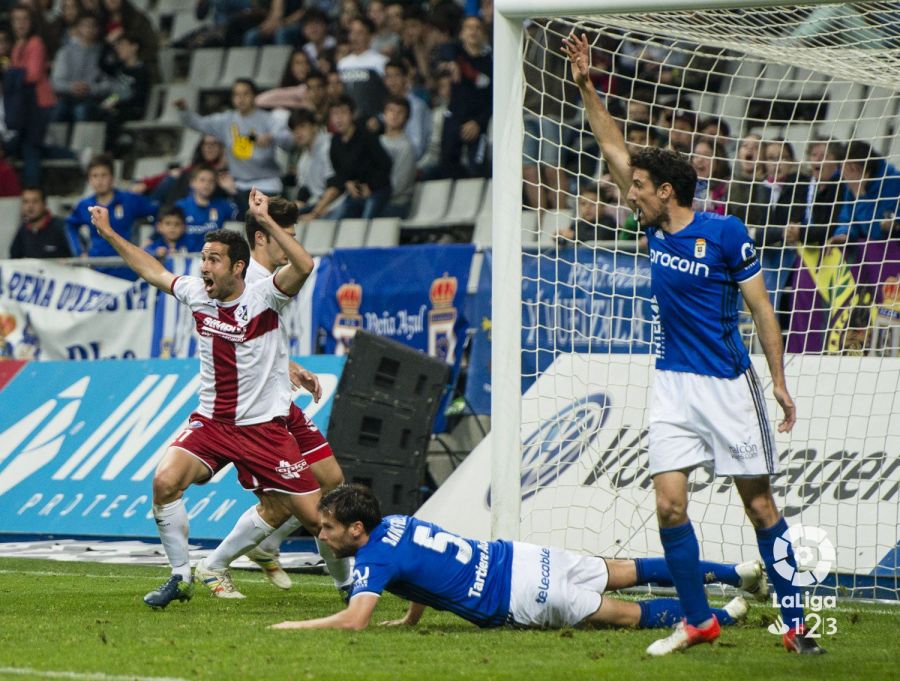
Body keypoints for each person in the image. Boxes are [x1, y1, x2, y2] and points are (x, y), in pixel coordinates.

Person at [561, 32, 823, 656]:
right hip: (673, 385)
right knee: (669, 506)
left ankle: (796, 625)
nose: (629, 192)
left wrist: (778, 380)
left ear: (666, 192)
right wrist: (587, 86)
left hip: (729, 386)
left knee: (760, 506)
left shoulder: (725, 233)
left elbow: (762, 309)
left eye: (639, 187)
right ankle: (699, 620)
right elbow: (613, 147)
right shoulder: (653, 229)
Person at [88, 187, 321, 609]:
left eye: (213, 260)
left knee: (316, 518)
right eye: (203, 258)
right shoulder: (197, 293)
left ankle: (354, 585)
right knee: (165, 482)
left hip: (262, 428)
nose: (204, 267)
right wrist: (109, 234)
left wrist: (265, 220)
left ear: (237, 267)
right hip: (212, 423)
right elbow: (153, 271)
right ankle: (180, 576)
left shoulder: (265, 296)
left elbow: (304, 265)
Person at [270, 485, 762, 632]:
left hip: (519, 595)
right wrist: (410, 617)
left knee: (625, 614)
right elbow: (420, 567)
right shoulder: (397, 522)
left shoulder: (371, 561)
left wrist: (292, 626)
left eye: (328, 527)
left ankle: (725, 616)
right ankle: (734, 573)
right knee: (626, 570)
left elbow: (354, 621)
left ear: (357, 530)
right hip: (521, 557)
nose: (322, 534)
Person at [195, 197, 351, 597]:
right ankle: (216, 564)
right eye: (286, 235)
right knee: (290, 508)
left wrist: (289, 365)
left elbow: (256, 342)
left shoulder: (260, 278)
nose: (291, 242)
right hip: (254, 418)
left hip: (283, 404)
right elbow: (234, 341)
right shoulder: (244, 279)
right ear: (262, 237)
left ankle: (267, 545)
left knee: (332, 482)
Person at [175, 79, 293, 217]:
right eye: (237, 95)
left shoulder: (268, 119)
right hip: (237, 185)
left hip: (266, 183)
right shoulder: (226, 120)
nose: (241, 99)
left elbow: (290, 141)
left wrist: (272, 137)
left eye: (245, 94)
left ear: (254, 96)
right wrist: (183, 110)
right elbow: (198, 124)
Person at [66, 154, 158, 278]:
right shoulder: (85, 205)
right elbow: (70, 225)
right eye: (95, 176)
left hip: (127, 267)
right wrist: (80, 252)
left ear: (112, 177)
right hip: (96, 268)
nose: (99, 180)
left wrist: (151, 241)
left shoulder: (129, 200)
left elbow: (159, 213)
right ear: (89, 180)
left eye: (104, 175)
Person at [303, 95, 392, 221]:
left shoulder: (366, 136)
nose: (339, 118)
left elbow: (386, 164)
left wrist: (371, 186)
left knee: (366, 221)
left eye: (343, 113)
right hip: (355, 192)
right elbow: (339, 171)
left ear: (352, 114)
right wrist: (347, 183)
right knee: (335, 218)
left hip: (377, 190)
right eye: (335, 114)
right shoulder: (335, 141)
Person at [434, 15, 492, 179]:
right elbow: (445, 49)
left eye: (477, 28)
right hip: (455, 117)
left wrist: (478, 122)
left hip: (479, 122)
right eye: (469, 27)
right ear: (461, 33)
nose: (473, 31)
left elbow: (493, 99)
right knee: (447, 165)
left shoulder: (491, 62)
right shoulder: (454, 54)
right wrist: (452, 62)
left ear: (484, 34)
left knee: (478, 169)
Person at [8, 3, 57, 186]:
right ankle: (75, 155)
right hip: (24, 106)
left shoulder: (35, 43)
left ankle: (32, 188)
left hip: (38, 104)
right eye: (16, 20)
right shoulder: (17, 45)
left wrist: (11, 73)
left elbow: (34, 74)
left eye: (24, 19)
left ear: (31, 22)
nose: (20, 24)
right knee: (29, 147)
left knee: (31, 148)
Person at [829, 141, 900, 244]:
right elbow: (847, 219)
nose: (842, 174)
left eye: (843, 168)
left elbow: (876, 232)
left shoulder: (894, 183)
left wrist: (860, 195)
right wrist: (844, 234)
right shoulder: (852, 183)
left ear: (854, 168)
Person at [50, 12, 111, 123]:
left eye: (93, 25)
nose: (89, 29)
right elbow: (56, 82)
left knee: (81, 110)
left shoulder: (104, 53)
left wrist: (89, 88)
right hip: (67, 96)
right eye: (85, 25)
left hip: (93, 98)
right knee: (58, 109)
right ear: (78, 28)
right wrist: (72, 87)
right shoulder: (65, 52)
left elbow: (109, 83)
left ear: (98, 29)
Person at [174, 165, 238, 252]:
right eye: (202, 180)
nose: (207, 184)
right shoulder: (180, 206)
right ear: (192, 182)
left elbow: (241, 217)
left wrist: (233, 192)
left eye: (211, 181)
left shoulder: (222, 205)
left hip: (213, 256)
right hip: (186, 256)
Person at [337, 16, 389, 121]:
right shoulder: (342, 64)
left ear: (370, 36)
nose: (355, 37)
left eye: (360, 33)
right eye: (352, 32)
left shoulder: (381, 62)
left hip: (372, 120)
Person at [287, 108, 334, 213]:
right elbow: (304, 190)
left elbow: (335, 186)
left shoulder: (330, 146)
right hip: (318, 205)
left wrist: (315, 213)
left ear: (314, 126)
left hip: (336, 203)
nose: (298, 133)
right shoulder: (303, 159)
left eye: (302, 126)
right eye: (294, 129)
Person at [378, 95, 416, 218]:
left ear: (407, 118)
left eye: (400, 112)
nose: (394, 115)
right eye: (390, 110)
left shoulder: (406, 147)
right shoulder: (376, 142)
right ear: (384, 115)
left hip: (396, 204)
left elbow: (399, 185)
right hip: (375, 198)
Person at [10, 186, 72, 259]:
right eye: (26, 202)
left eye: (35, 201)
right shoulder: (23, 229)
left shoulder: (62, 227)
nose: (30, 206)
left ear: (44, 204)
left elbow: (80, 256)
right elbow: (13, 259)